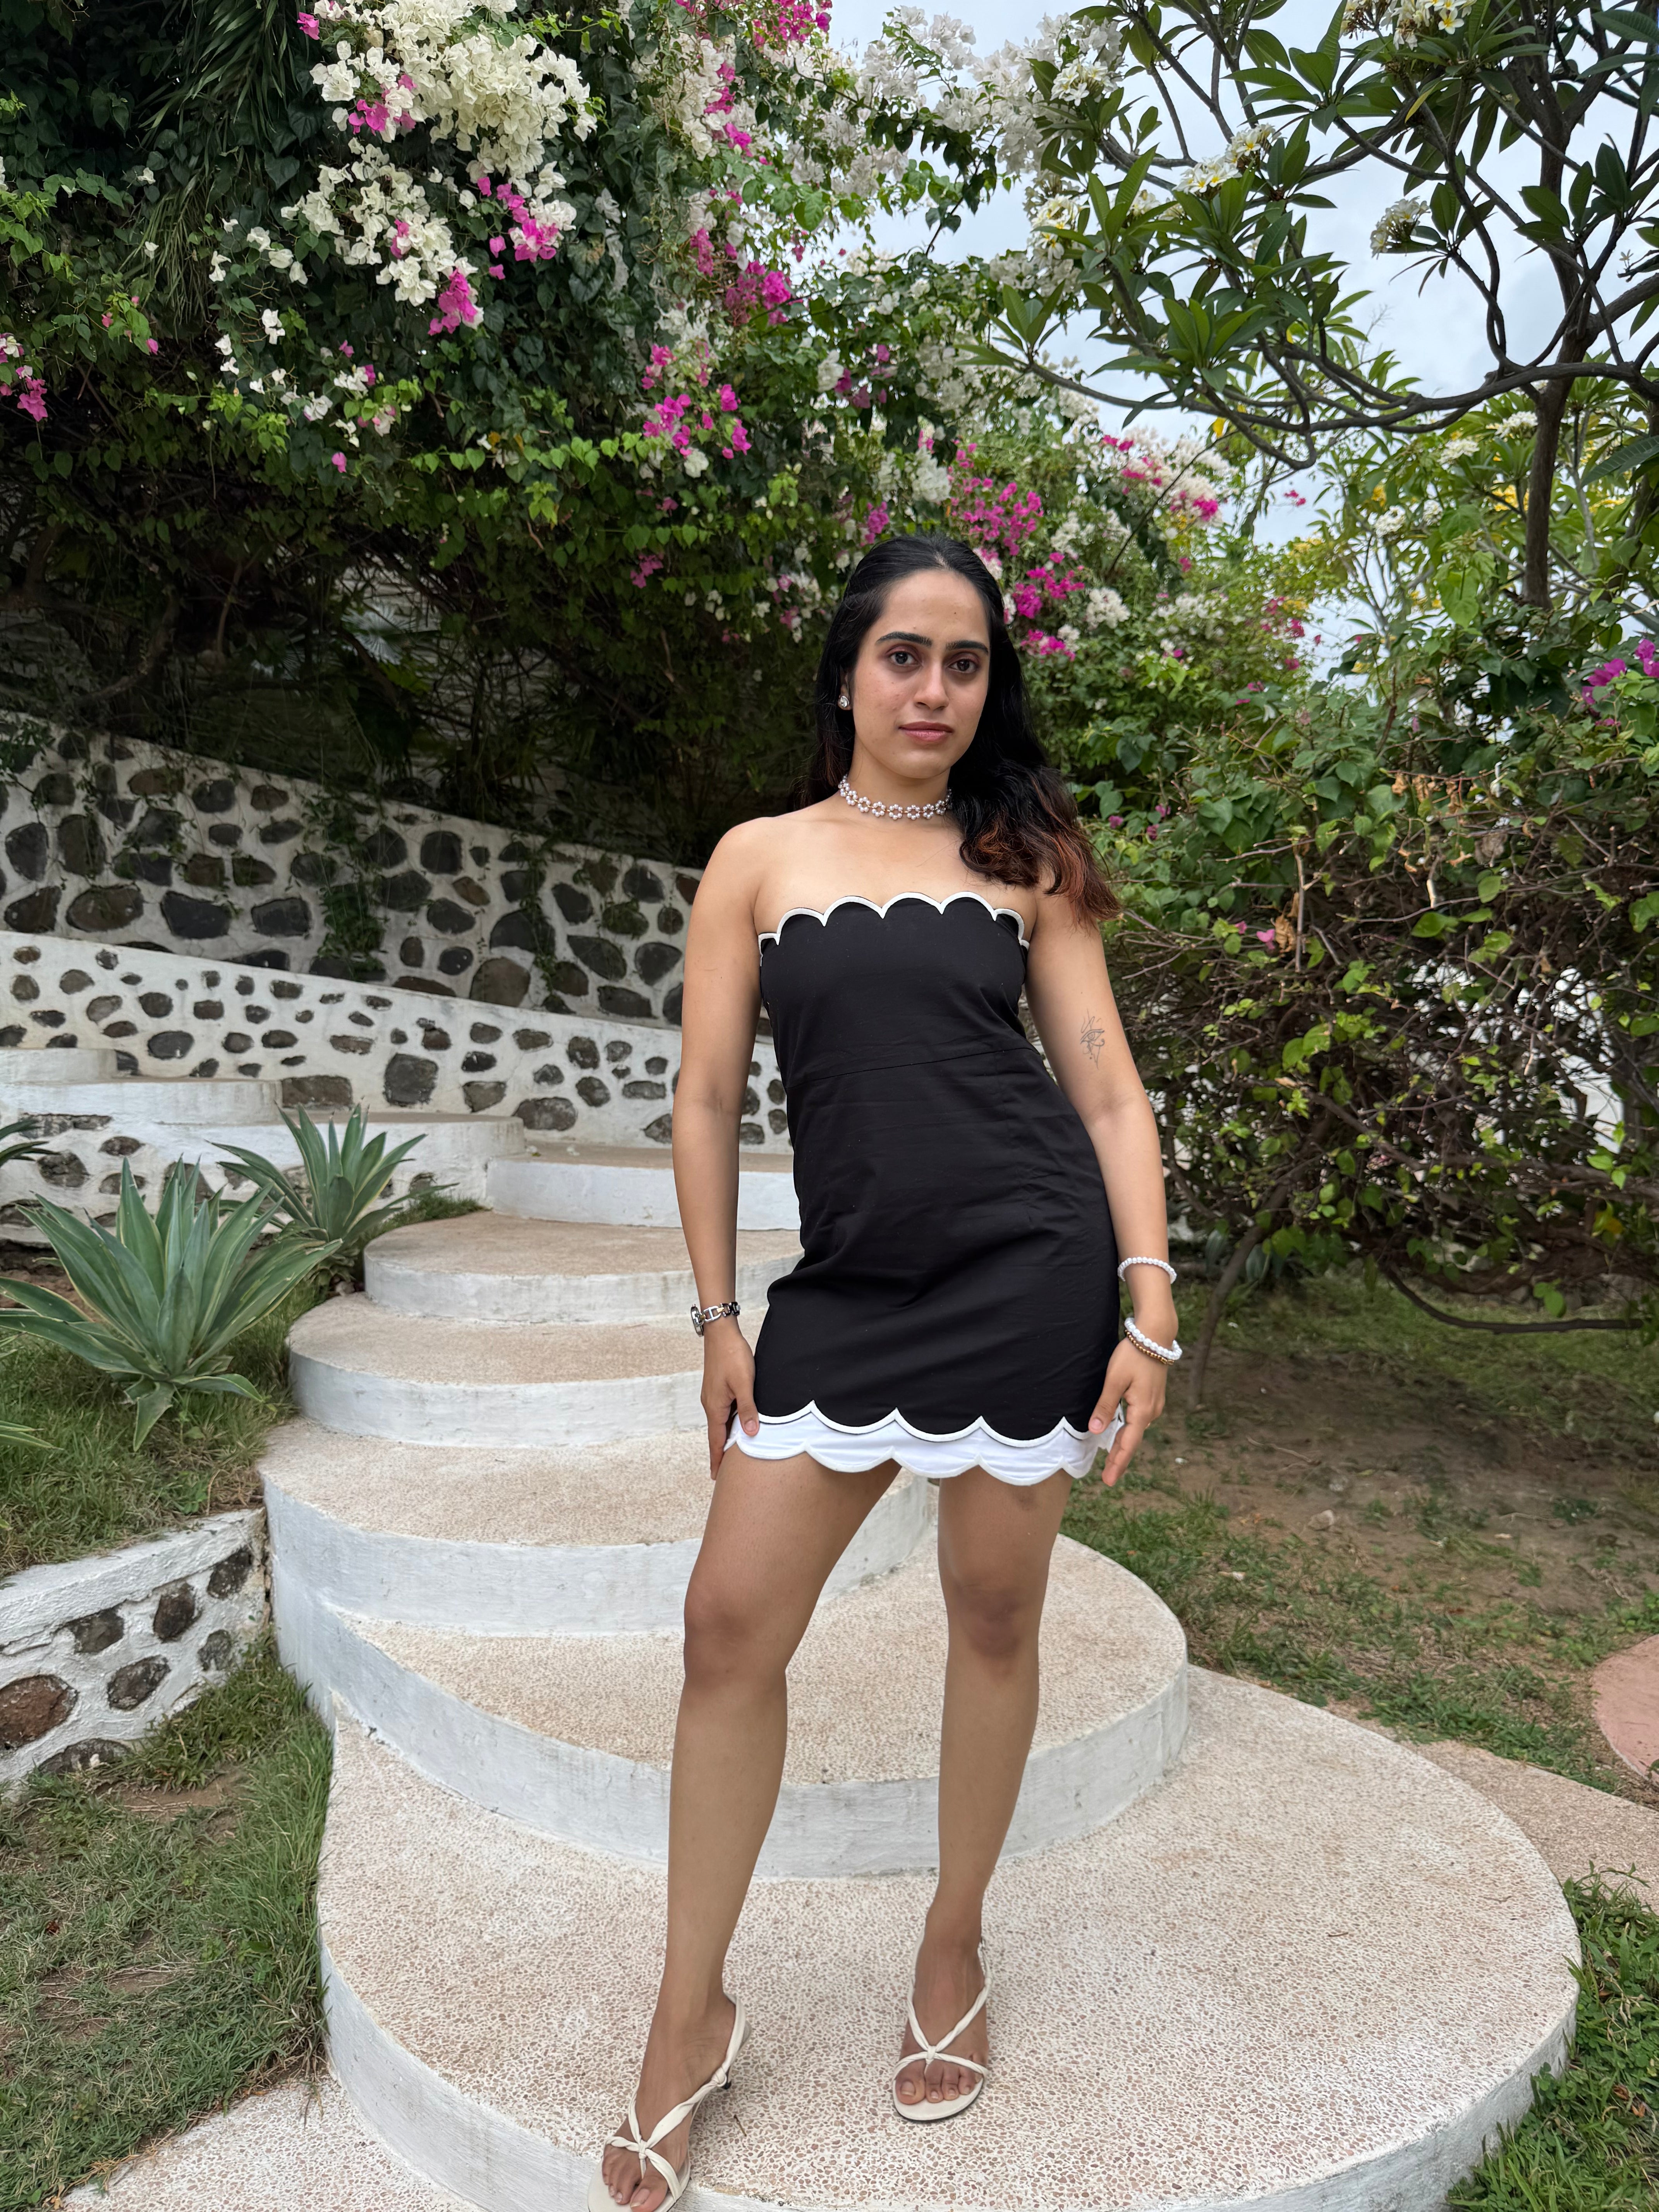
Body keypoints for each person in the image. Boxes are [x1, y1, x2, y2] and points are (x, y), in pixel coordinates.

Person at [591, 532, 1178, 2212]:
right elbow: (707, 1099)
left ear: (992, 686)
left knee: (992, 1615)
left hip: (1029, 1273)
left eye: (965, 662)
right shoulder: (757, 858)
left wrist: (1146, 1303)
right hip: (848, 1292)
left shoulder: (1026, 855)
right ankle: (690, 2010)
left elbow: (1106, 1089)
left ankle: (952, 1937)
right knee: (727, 1626)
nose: (934, 689)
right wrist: (719, 1317)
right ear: (846, 670)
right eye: (904, 656)